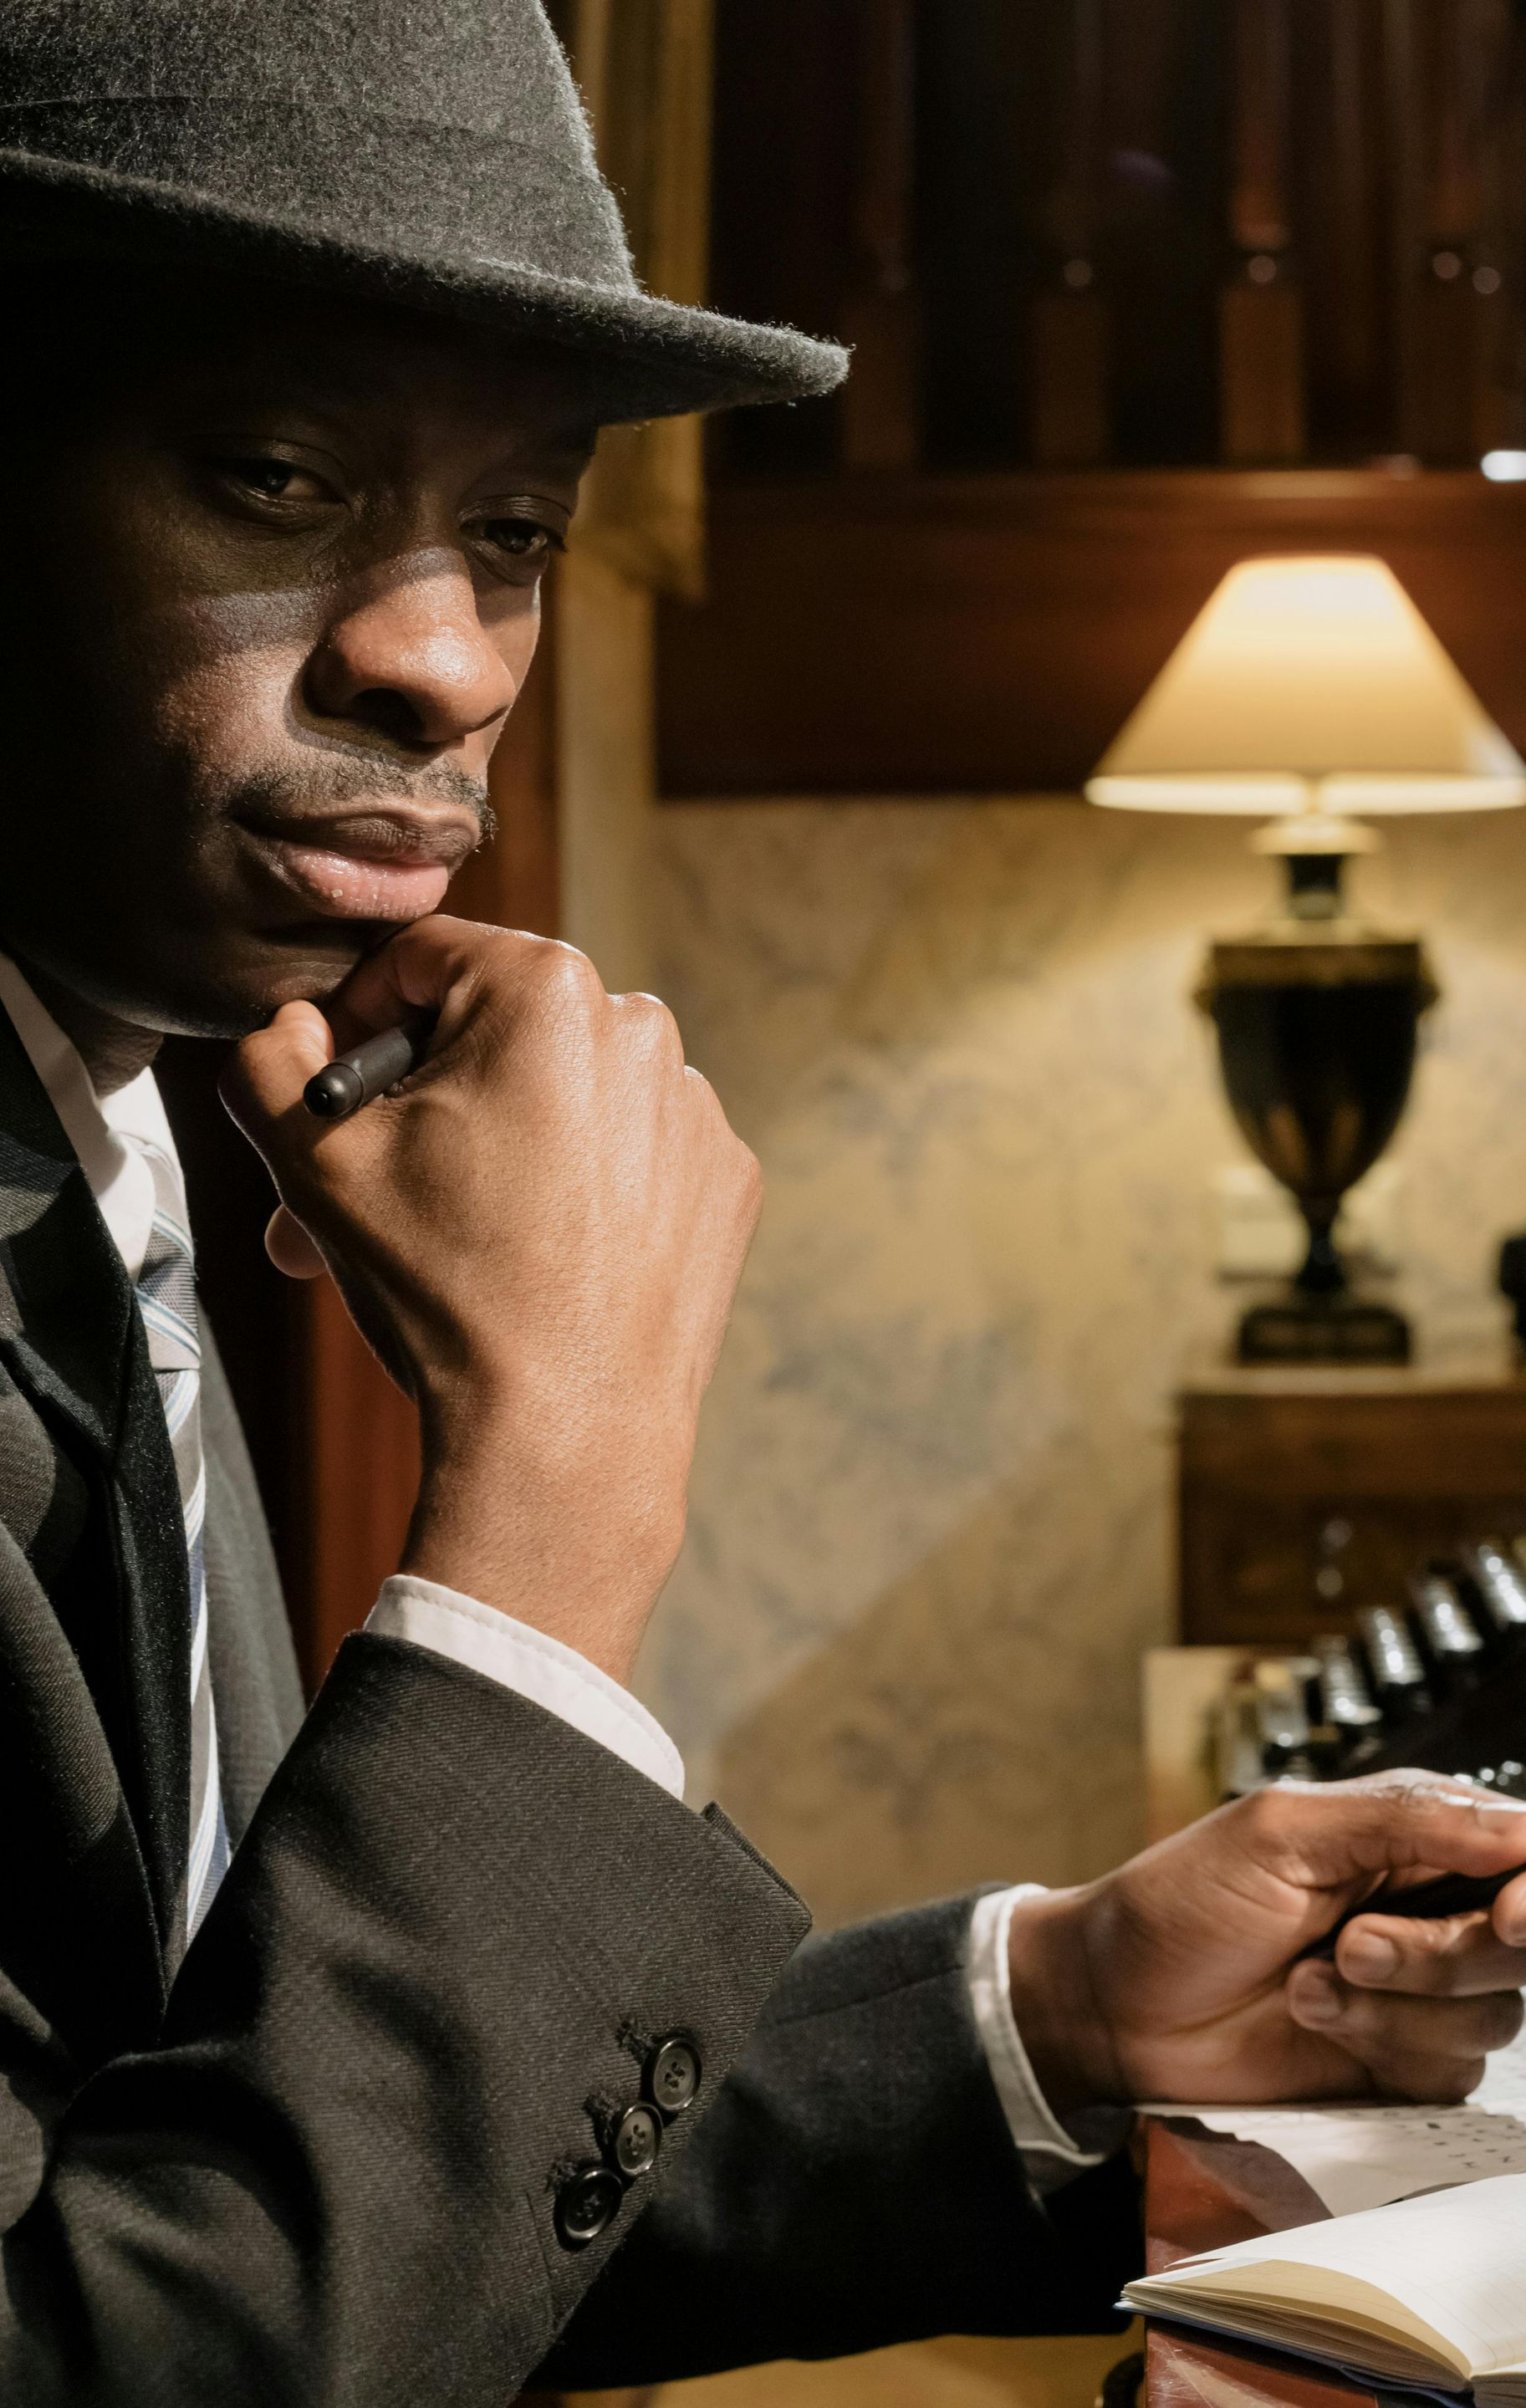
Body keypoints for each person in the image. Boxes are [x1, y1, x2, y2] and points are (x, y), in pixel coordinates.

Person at [0, 1, 1523, 2399]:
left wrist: (1047, 2010)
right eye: (275, 478)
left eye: (512, 529)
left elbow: (276, 2190)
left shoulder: (137, 1125)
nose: (440, 655)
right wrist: (553, 1512)